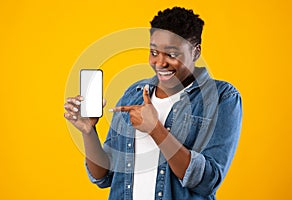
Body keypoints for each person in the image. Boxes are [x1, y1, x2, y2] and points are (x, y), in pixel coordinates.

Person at [64, 7, 242, 200]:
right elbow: (104, 175)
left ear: (195, 51)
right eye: (154, 52)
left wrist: (156, 129)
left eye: (172, 54)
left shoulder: (222, 97)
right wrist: (88, 132)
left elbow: (208, 181)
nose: (160, 62)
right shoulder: (134, 94)